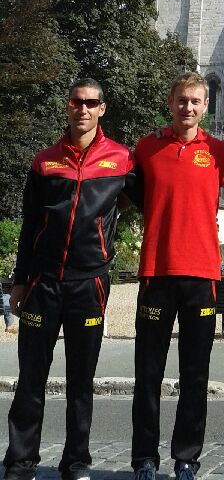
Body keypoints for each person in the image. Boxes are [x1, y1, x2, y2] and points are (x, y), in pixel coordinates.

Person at [3, 79, 134, 480]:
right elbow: (29, 224)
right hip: (43, 282)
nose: (83, 108)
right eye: (77, 101)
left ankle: (76, 461)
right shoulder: (44, 160)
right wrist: (20, 280)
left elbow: (141, 201)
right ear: (68, 106)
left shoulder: (123, 160)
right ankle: (21, 461)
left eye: (91, 103)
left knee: (82, 379)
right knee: (30, 378)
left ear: (102, 109)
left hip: (89, 283)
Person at [131, 72, 224, 480]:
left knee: (195, 375)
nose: (189, 107)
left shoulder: (217, 150)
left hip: (202, 277)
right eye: (182, 100)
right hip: (156, 274)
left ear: (206, 106)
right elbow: (120, 195)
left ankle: (186, 457)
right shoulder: (146, 147)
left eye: (196, 101)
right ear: (170, 101)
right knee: (148, 374)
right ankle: (144, 457)